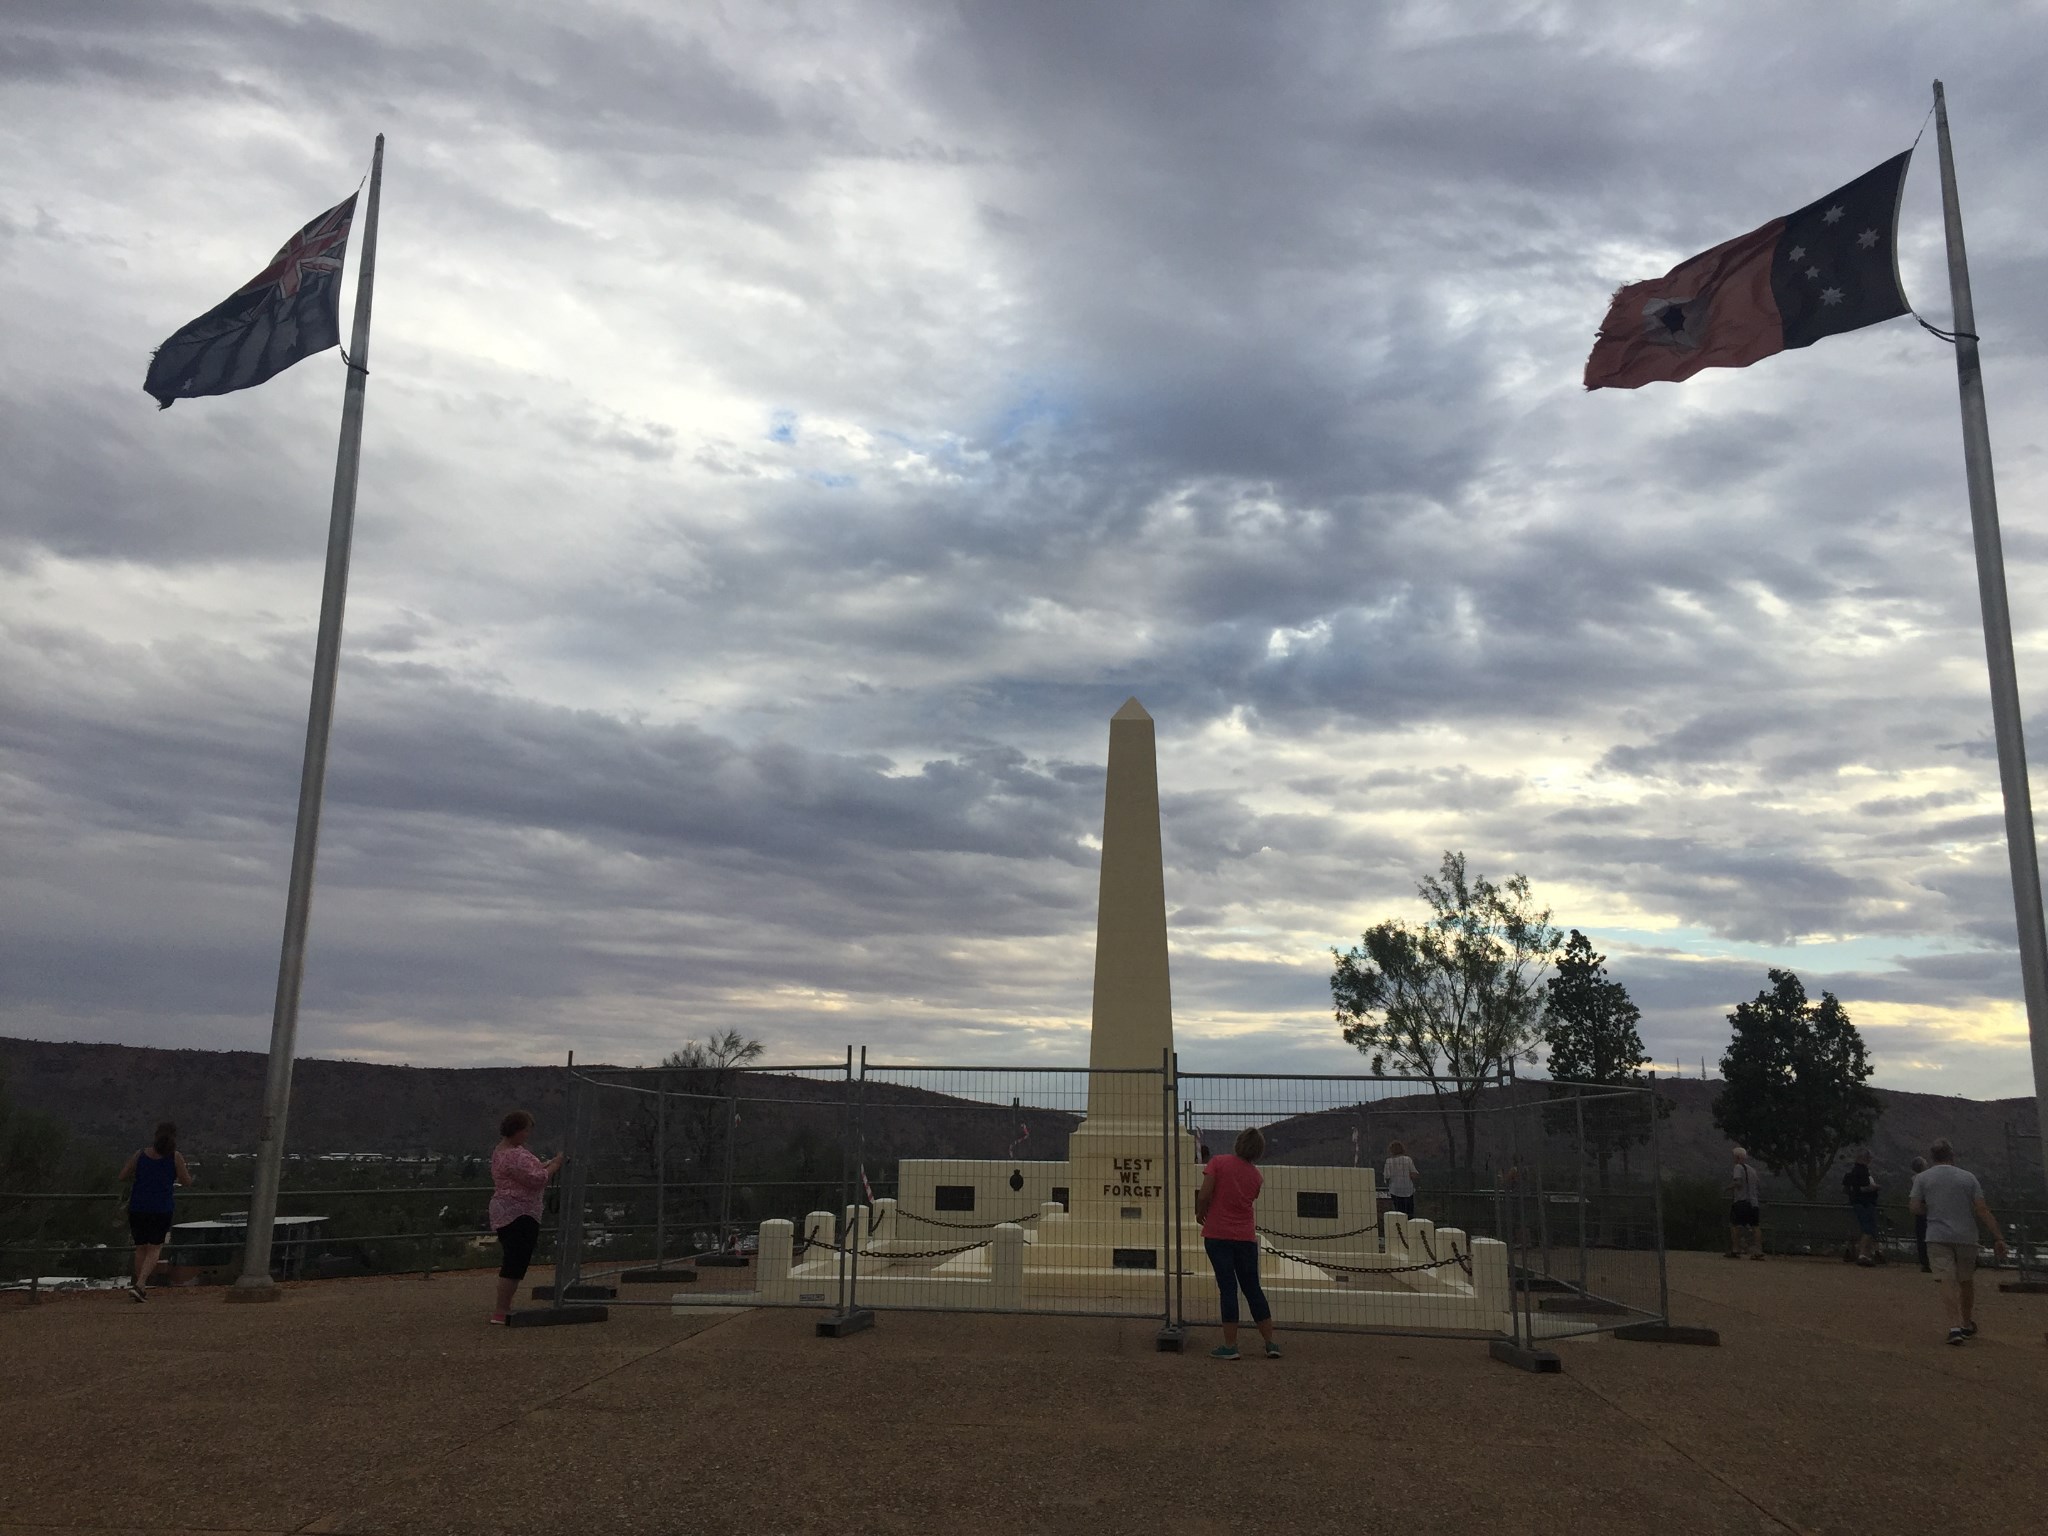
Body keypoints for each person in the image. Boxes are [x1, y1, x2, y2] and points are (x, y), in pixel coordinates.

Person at [1908, 1138, 2006, 1346]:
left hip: (1937, 1235)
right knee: (1966, 1280)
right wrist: (1998, 1236)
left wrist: (1931, 1211)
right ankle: (1967, 1322)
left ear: (1933, 1157)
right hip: (1966, 1236)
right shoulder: (1968, 1178)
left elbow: (1915, 1207)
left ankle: (1953, 1327)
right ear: (1952, 1156)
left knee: (1945, 1280)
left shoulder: (1922, 1178)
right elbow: (1981, 1209)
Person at [1196, 1126, 1278, 1360]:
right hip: (1245, 1237)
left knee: (1228, 1288)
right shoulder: (1256, 1176)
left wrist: (1200, 1212)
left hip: (1218, 1234)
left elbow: (1204, 1194)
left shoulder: (1218, 1163)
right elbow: (1250, 1198)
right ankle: (1270, 1342)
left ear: (1238, 1142)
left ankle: (1230, 1345)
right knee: (1252, 1288)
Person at [489, 1110, 564, 1324]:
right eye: (526, 1130)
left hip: (507, 1211)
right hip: (519, 1213)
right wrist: (555, 1165)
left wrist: (546, 1164)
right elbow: (536, 1179)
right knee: (515, 1262)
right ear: (518, 1130)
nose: (528, 1134)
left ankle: (503, 1308)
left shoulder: (501, 1151)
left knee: (513, 1259)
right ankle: (501, 1310)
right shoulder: (514, 1155)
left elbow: (530, 1171)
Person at [118, 1122, 191, 1302]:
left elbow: (122, 1175)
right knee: (155, 1248)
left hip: (138, 1207)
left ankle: (139, 1285)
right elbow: (186, 1181)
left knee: (140, 1248)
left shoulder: (140, 1154)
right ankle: (141, 1285)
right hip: (161, 1207)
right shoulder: (175, 1157)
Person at [1842, 1149, 1880, 1266]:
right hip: (1865, 1204)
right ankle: (1863, 1254)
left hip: (1855, 1204)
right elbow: (1863, 1188)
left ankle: (1860, 1252)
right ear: (1866, 1160)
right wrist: (1874, 1188)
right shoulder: (1863, 1173)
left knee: (1861, 1228)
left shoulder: (1849, 1175)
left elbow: (1847, 1190)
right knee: (1868, 1229)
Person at [1726, 1146, 1763, 1259]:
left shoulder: (1738, 1167)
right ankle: (1758, 1251)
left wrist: (1728, 1188)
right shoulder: (1752, 1169)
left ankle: (1735, 1249)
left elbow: (1738, 1182)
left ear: (1737, 1157)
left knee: (1735, 1225)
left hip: (1741, 1201)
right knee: (1755, 1226)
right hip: (1754, 1202)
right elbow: (1757, 1183)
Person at [1382, 1140, 1419, 1218]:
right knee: (1409, 1213)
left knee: (1398, 1213)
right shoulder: (1408, 1159)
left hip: (1395, 1190)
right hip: (1408, 1189)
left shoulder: (1389, 1161)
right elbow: (1414, 1174)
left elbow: (1387, 1176)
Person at [1909, 1156, 1930, 1272]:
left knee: (1921, 1236)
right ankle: (1928, 1261)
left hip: (1919, 1210)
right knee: (1926, 1236)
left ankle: (1924, 1261)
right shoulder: (1922, 1179)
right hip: (1924, 1210)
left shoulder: (1914, 1179)